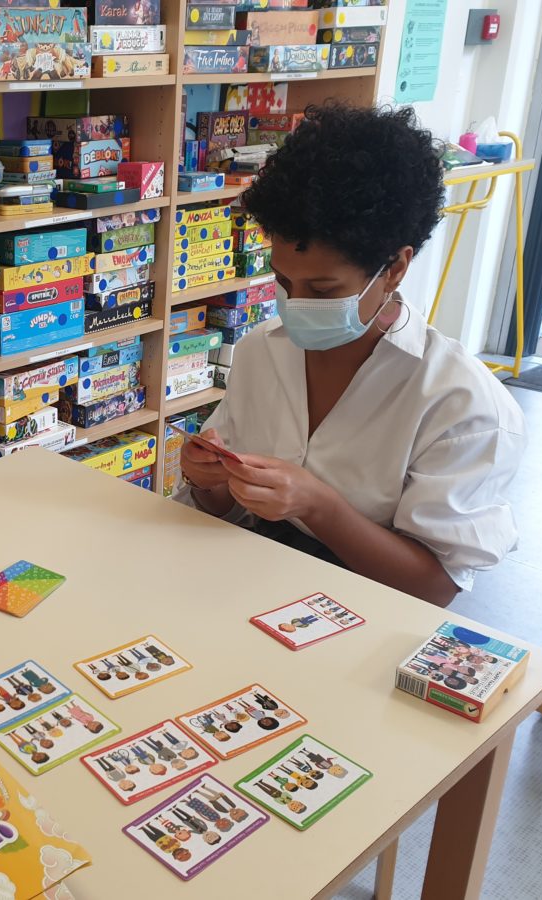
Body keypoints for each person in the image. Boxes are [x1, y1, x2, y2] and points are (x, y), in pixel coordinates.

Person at [179, 103, 524, 607]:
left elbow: (433, 588)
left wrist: (320, 507)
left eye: (323, 290)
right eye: (282, 282)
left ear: (395, 268)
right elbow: (228, 509)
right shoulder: (260, 353)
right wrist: (208, 482)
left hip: (368, 616)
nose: (295, 306)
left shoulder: (463, 407)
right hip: (247, 588)